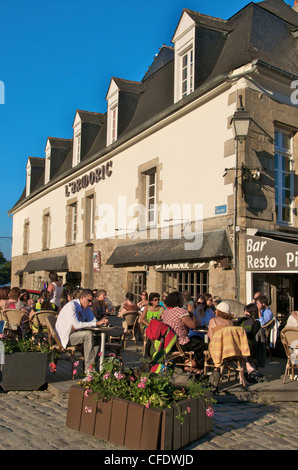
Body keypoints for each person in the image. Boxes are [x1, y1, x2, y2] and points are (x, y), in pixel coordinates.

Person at [55, 289, 109, 374]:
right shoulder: (72, 306)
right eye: (89, 301)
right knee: (88, 335)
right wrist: (95, 323)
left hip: (76, 334)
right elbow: (77, 325)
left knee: (99, 336)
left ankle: (93, 364)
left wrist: (102, 323)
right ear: (82, 297)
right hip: (66, 337)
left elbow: (92, 320)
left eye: (92, 301)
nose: (90, 303)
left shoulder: (85, 307)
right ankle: (89, 370)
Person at [162, 291, 207, 373]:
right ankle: (196, 365)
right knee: (202, 345)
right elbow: (193, 325)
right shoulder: (181, 312)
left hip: (169, 343)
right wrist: (191, 312)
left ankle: (188, 363)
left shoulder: (166, 312)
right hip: (181, 344)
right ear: (178, 301)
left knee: (195, 339)